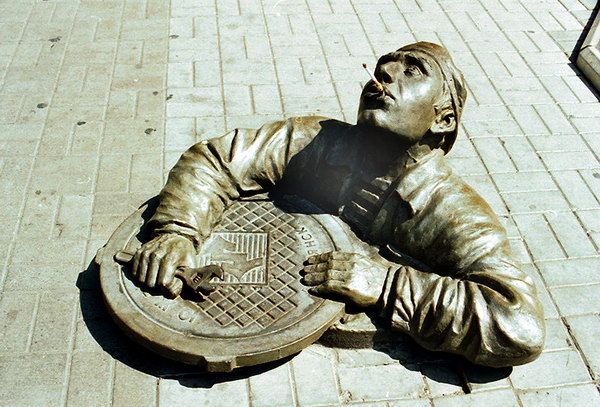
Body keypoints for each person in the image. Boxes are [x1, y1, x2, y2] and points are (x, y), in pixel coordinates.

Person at [131, 42, 545, 367]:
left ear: (443, 120)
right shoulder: (318, 140)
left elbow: (518, 326)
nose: (385, 72)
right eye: (386, 63)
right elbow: (216, 159)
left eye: (412, 70)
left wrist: (388, 284)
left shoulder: (454, 211)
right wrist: (177, 230)